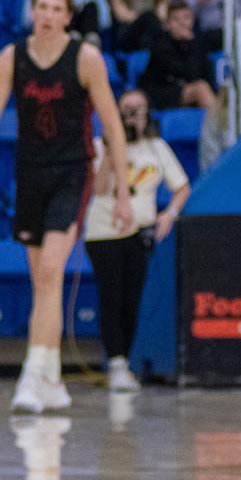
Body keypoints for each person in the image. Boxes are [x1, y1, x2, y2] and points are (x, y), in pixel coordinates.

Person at [0, 0, 133, 414]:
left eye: (58, 9)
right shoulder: (12, 57)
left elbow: (113, 126)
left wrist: (124, 193)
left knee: (53, 271)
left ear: (68, 17)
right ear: (32, 11)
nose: (50, 15)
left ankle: (32, 378)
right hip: (29, 173)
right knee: (42, 282)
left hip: (73, 172)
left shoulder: (86, 58)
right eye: (43, 7)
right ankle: (53, 379)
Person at [84, 88, 190, 392]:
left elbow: (181, 187)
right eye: (127, 110)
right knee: (112, 294)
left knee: (132, 298)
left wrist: (168, 214)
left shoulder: (156, 148)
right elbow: (100, 188)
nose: (132, 116)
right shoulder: (99, 146)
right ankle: (115, 362)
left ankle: (124, 360)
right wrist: (109, 145)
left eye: (138, 109)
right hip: (104, 230)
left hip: (139, 230)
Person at [138, 0, 216, 110]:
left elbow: (208, 75)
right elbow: (187, 73)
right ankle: (221, 126)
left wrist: (190, 44)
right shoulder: (160, 44)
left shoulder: (198, 42)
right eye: (176, 19)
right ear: (168, 23)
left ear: (192, 21)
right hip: (161, 92)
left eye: (186, 18)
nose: (182, 23)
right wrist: (189, 45)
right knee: (201, 88)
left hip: (186, 89)